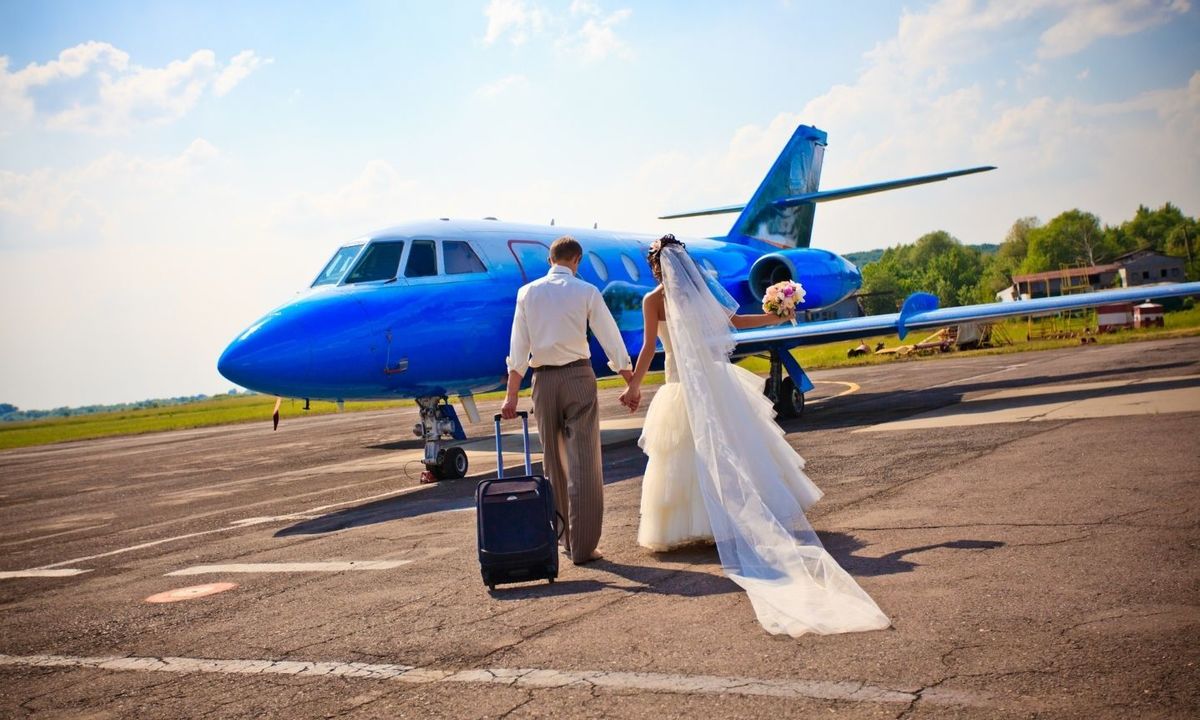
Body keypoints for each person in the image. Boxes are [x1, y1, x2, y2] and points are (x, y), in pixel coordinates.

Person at [620, 235, 890, 636]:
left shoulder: (652, 302)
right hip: (716, 380)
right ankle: (731, 521)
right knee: (738, 447)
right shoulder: (700, 294)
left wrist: (635, 386)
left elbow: (646, 349)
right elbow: (734, 323)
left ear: (655, 268)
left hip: (680, 383)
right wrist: (773, 317)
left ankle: (701, 525)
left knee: (686, 455)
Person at [502, 235, 636, 565]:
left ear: (551, 261)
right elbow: (610, 337)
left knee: (553, 463)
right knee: (584, 463)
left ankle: (563, 538)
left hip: (543, 382)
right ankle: (584, 546)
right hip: (578, 377)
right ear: (576, 261)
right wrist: (628, 379)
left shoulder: (526, 294)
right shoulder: (586, 291)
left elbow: (518, 349)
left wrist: (510, 397)